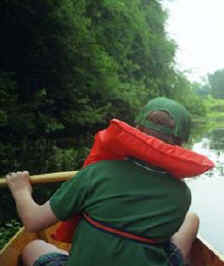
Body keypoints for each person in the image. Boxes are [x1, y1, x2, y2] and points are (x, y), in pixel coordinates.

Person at [6, 97, 200, 266]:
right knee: (191, 219)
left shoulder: (97, 172)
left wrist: (20, 188)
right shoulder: (181, 194)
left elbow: (33, 221)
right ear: (180, 144)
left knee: (33, 247)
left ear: (136, 130)